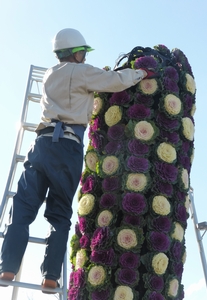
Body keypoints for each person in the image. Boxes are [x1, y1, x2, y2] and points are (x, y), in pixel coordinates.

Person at [0, 28, 152, 293]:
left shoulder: (49, 75)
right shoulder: (82, 72)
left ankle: (7, 267)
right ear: (74, 52)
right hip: (68, 147)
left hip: (41, 145)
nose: (84, 55)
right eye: (82, 51)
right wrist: (140, 73)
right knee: (59, 216)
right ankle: (50, 277)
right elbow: (115, 81)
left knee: (22, 210)